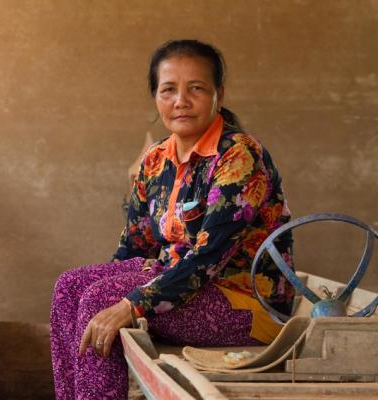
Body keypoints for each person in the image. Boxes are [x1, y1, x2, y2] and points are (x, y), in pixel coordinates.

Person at [50, 39, 295, 400]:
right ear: (156, 97)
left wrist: (127, 302)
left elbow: (207, 259)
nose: (181, 100)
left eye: (196, 88)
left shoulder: (238, 155)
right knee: (70, 287)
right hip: (179, 287)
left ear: (218, 95)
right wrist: (116, 286)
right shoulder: (156, 159)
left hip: (243, 301)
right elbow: (133, 247)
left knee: (99, 299)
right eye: (169, 89)